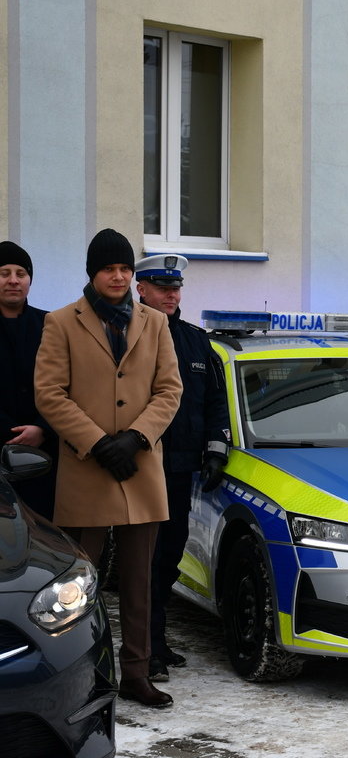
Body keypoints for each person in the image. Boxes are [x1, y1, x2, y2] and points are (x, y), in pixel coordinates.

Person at [34, 228, 183, 708]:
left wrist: (136, 438)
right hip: (87, 469)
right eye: (108, 269)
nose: (118, 276)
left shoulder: (155, 324)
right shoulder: (61, 322)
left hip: (139, 468)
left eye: (124, 268)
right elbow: (49, 394)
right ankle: (77, 674)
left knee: (139, 582)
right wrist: (98, 443)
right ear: (92, 274)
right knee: (77, 585)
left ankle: (136, 672)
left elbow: (169, 390)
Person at [133, 255, 231, 682]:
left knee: (169, 559)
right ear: (141, 289)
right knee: (145, 562)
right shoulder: (126, 334)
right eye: (161, 286)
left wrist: (215, 450)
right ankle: (145, 649)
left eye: (176, 288)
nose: (171, 294)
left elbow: (214, 401)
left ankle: (157, 641)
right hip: (137, 468)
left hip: (178, 472)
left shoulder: (194, 340)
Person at [0, 241, 57, 520]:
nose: (13, 280)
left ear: (30, 280)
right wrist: (11, 433)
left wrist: (43, 428)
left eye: (21, 273)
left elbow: (68, 385)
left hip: (44, 461)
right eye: (4, 273)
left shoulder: (51, 325)